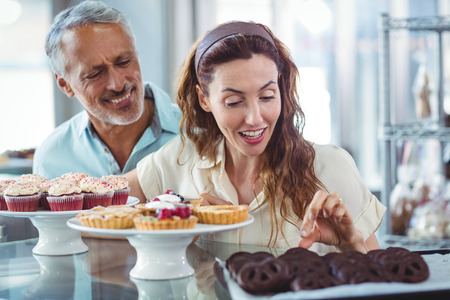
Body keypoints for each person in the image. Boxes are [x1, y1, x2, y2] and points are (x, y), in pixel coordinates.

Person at [125, 21, 386, 253]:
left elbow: (382, 285)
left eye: (267, 96)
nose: (255, 118)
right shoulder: (179, 158)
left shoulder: (331, 167)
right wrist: (178, 217)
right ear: (204, 99)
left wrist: (350, 244)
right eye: (234, 101)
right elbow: (95, 205)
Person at [33, 0, 180, 179]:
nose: (117, 84)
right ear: (65, 85)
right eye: (95, 74)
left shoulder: (200, 132)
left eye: (124, 62)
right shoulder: (52, 158)